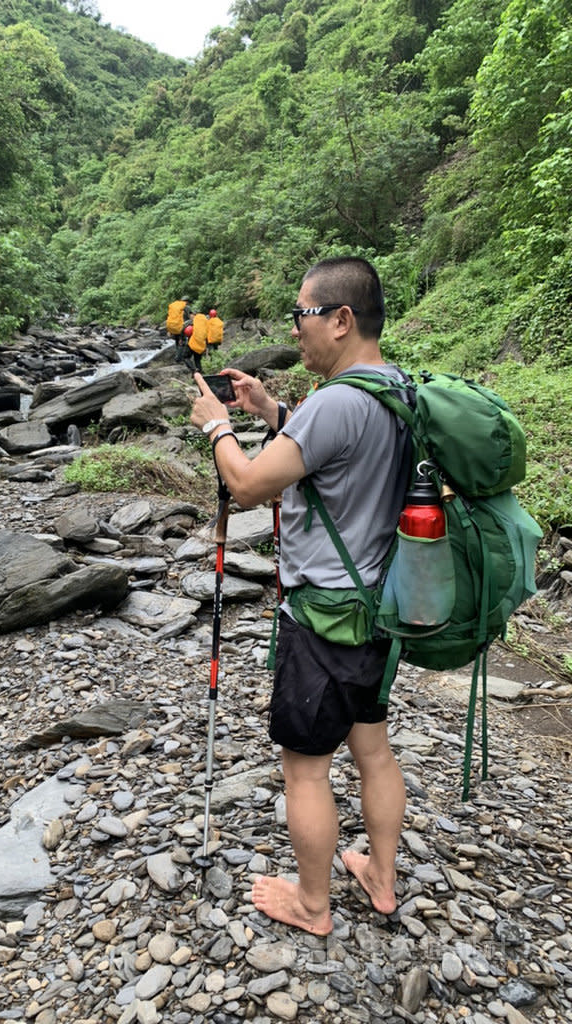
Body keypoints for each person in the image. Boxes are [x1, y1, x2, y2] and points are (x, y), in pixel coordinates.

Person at [191, 256, 410, 937]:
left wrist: (216, 426)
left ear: (341, 320)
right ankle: (380, 875)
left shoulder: (338, 401)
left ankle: (313, 906)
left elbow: (254, 485)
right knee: (372, 750)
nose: (297, 329)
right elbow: (341, 450)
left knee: (305, 771)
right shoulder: (393, 389)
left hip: (323, 620)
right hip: (379, 609)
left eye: (301, 315)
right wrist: (269, 409)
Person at [166, 297, 191, 362]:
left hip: (173, 326)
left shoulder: (175, 306)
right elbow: (190, 317)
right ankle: (179, 358)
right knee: (182, 342)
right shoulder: (186, 307)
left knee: (177, 341)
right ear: (187, 301)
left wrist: (169, 330)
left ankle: (177, 356)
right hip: (182, 327)